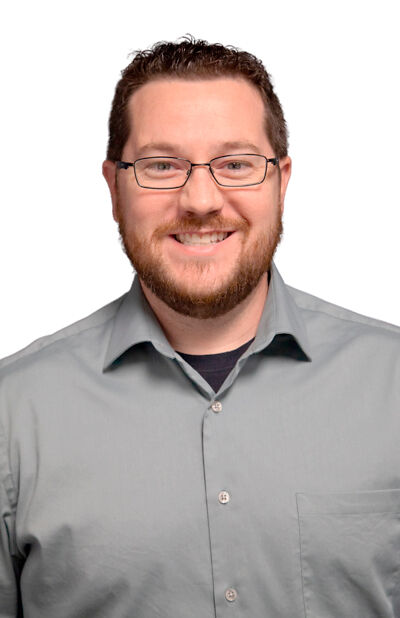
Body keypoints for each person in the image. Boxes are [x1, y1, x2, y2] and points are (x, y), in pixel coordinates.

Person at [0, 35, 399, 618]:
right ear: (114, 187)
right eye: (162, 166)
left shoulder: (392, 385)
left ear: (281, 182)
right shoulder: (13, 411)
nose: (202, 200)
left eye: (236, 164)